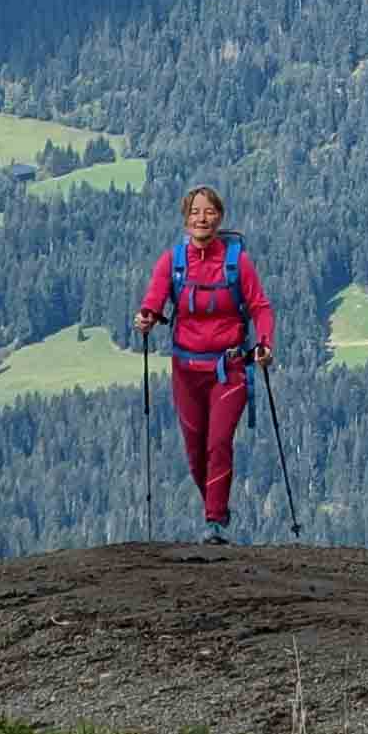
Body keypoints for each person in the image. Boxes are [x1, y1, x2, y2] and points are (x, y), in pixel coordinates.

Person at [135, 184, 275, 544]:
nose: (202, 218)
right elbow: (155, 297)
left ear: (220, 217)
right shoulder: (172, 261)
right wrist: (147, 315)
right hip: (186, 372)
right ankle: (216, 508)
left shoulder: (237, 262)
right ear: (186, 219)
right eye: (195, 212)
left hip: (230, 370)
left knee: (218, 442)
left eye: (209, 211)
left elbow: (260, 306)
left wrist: (264, 343)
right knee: (195, 451)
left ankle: (214, 521)